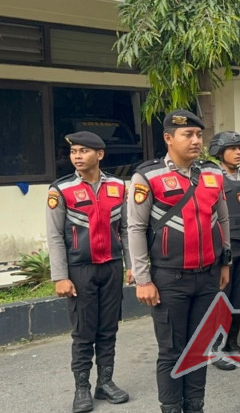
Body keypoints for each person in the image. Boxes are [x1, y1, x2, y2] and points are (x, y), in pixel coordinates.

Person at [128, 110, 231, 413]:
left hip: (208, 276)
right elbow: (135, 228)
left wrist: (225, 263)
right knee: (172, 351)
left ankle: (195, 406)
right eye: (188, 135)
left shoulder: (212, 174)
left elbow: (222, 220)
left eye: (199, 135)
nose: (196, 140)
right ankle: (172, 408)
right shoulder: (147, 176)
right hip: (169, 279)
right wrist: (144, 279)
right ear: (168, 138)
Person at [46, 131, 131, 413]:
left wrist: (131, 265)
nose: (77, 157)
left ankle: (105, 383)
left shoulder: (119, 186)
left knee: (109, 328)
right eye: (73, 152)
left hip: (111, 268)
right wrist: (60, 276)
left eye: (83, 151)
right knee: (84, 332)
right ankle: (81, 388)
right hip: (79, 270)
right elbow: (55, 236)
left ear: (100, 154)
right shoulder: (61, 190)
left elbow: (127, 230)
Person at [208, 131, 240, 371]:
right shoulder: (211, 179)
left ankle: (231, 343)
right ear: (219, 152)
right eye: (233, 148)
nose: (238, 152)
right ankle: (215, 347)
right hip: (223, 251)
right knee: (221, 300)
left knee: (239, 299)